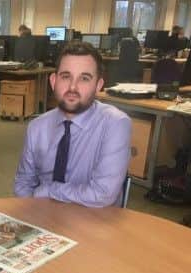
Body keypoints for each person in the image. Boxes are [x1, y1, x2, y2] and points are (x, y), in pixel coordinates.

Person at [14, 41, 131, 207]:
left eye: (84, 78)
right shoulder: (37, 127)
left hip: (94, 222)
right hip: (43, 218)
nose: (73, 87)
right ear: (54, 81)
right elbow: (23, 184)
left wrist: (48, 190)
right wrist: (30, 218)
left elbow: (102, 194)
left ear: (98, 86)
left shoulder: (115, 124)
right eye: (66, 76)